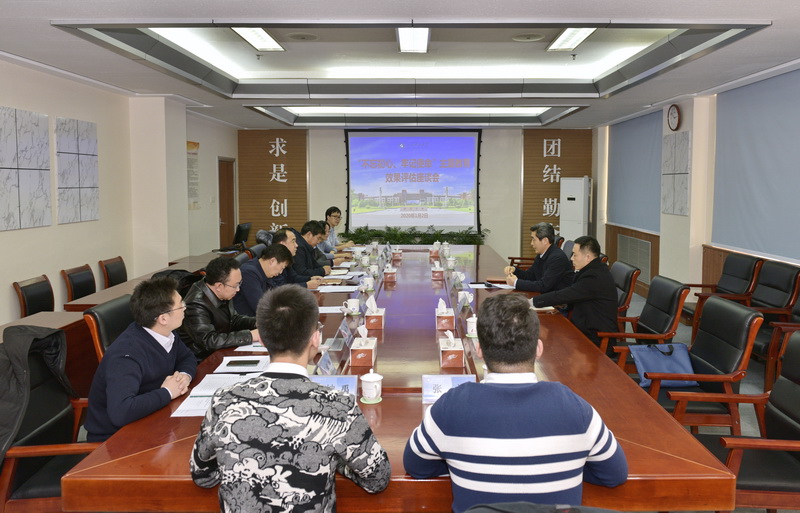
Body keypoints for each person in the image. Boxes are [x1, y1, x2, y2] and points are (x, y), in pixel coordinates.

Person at [404, 293, 627, 512]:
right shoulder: (578, 409)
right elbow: (614, 475)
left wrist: (458, 461)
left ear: (479, 350)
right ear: (538, 349)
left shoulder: (448, 408)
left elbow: (416, 467)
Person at [191, 285, 391, 512]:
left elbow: (202, 475)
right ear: (316, 339)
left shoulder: (223, 400)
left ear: (262, 339)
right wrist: (335, 462)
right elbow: (378, 479)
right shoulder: (338, 405)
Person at [85, 276, 196, 442]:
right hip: (115, 441)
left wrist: (184, 376)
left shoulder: (165, 333)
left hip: (151, 419)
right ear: (163, 318)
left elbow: (187, 357)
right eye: (181, 305)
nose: (185, 308)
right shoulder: (125, 356)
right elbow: (121, 412)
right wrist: (167, 392)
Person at [532, 236, 618, 348]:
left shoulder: (594, 277)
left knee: (549, 344)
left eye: (575, 255)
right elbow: (573, 296)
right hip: (583, 329)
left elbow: (565, 294)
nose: (571, 258)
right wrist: (561, 305)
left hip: (596, 340)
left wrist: (532, 302)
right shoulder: (590, 270)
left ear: (588, 257)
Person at [178, 256, 259, 360]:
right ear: (219, 286)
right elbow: (209, 341)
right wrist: (250, 335)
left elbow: (233, 320)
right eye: (235, 285)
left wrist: (258, 322)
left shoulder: (223, 292)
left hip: (220, 351)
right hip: (202, 359)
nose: (238, 289)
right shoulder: (195, 304)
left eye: (239, 283)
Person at [504, 223, 573, 292]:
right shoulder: (542, 254)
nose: (531, 243)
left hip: (556, 297)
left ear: (545, 241)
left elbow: (543, 286)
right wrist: (514, 270)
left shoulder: (557, 258)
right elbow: (530, 275)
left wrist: (516, 283)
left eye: (534, 239)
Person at [233, 243, 293, 316]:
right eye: (282, 268)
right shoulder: (249, 273)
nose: (281, 272)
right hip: (249, 319)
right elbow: (261, 307)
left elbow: (275, 293)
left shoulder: (265, 272)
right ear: (272, 261)